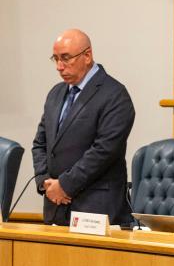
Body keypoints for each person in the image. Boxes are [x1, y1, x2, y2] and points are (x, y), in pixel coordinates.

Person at [31, 29, 135, 227]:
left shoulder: (114, 95)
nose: (59, 67)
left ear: (87, 56)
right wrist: (45, 182)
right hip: (55, 206)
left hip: (94, 207)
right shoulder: (56, 93)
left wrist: (65, 185)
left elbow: (104, 151)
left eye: (66, 58)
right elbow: (40, 143)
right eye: (56, 59)